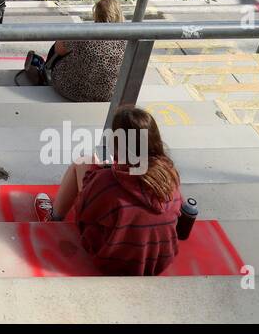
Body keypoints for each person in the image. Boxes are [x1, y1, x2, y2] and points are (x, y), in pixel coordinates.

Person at [33, 107, 184, 277]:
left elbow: (83, 214)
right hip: (158, 262)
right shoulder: (169, 174)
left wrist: (97, 174)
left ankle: (54, 218)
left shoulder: (107, 183)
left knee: (83, 161)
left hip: (113, 263)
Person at [22, 0, 127, 102]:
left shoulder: (86, 34)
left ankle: (44, 71)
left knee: (60, 46)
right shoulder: (127, 39)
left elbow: (58, 50)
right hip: (108, 94)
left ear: (96, 14)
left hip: (70, 90)